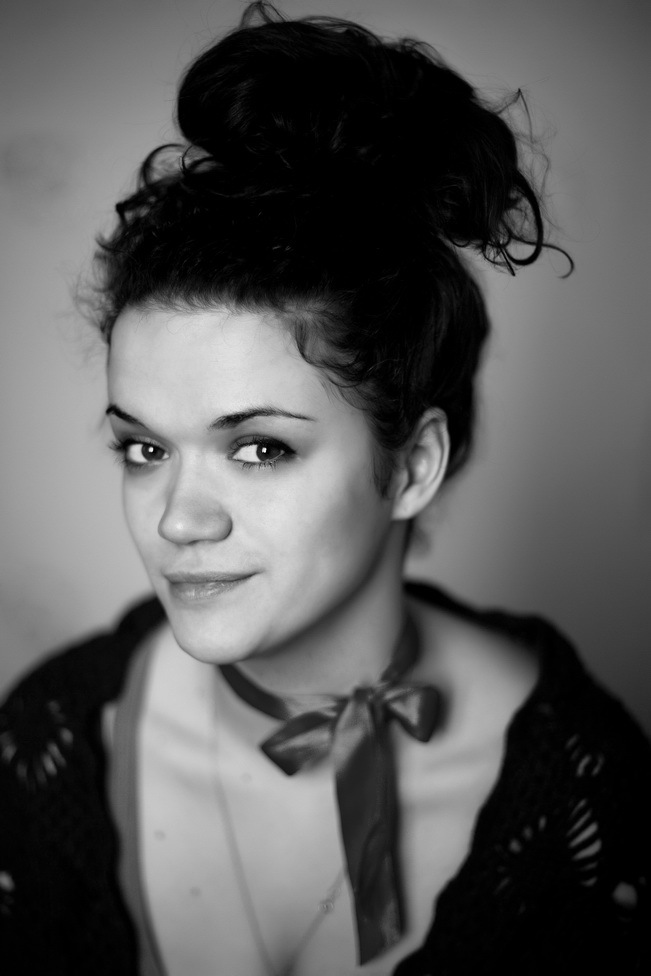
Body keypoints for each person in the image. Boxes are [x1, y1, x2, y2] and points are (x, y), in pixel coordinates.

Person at [1, 2, 649, 973]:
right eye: (143, 449)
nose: (177, 518)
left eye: (259, 448)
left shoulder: (580, 781)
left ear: (412, 465)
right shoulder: (51, 737)